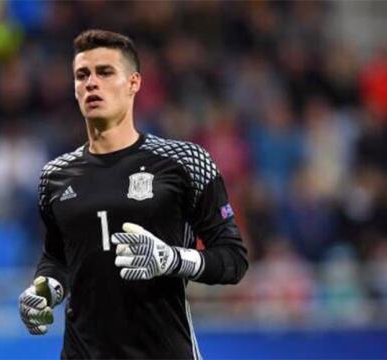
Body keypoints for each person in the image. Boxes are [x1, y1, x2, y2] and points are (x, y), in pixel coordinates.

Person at [18, 29, 248, 359]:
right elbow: (59, 259)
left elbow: (233, 260)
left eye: (105, 72)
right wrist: (44, 291)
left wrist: (172, 259)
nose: (91, 83)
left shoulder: (185, 162)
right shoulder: (54, 176)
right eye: (82, 75)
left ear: (134, 82)